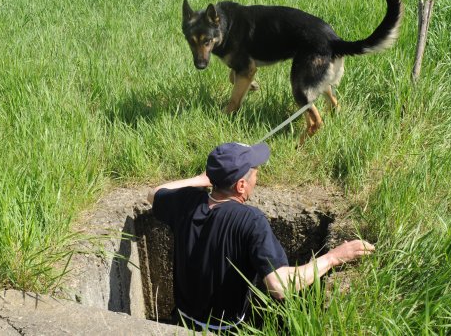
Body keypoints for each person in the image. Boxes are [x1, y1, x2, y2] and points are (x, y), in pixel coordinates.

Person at [147, 142, 374, 332]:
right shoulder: (250, 220)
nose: (258, 177)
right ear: (241, 185)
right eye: (255, 172)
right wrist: (333, 257)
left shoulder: (185, 202)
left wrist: (201, 179)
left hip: (180, 325)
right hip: (225, 331)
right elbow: (280, 286)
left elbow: (154, 193)